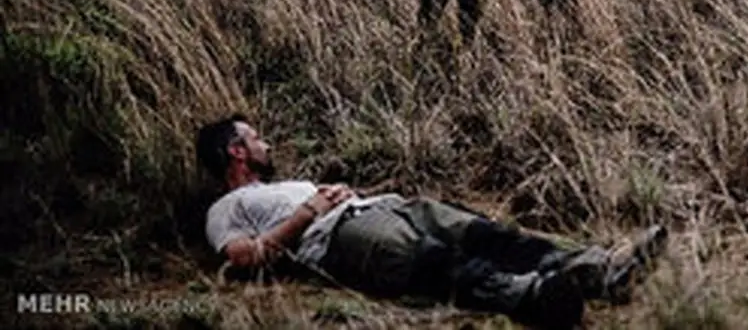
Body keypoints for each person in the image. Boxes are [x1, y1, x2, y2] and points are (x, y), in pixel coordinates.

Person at [195, 115, 668, 330]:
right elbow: (242, 258)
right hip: (340, 238)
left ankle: (599, 268)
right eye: (256, 139)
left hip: (381, 207)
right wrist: (308, 213)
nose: (266, 144)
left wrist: (344, 195)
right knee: (433, 261)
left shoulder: (281, 182)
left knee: (484, 231)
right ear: (236, 152)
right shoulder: (226, 209)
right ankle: (533, 297)